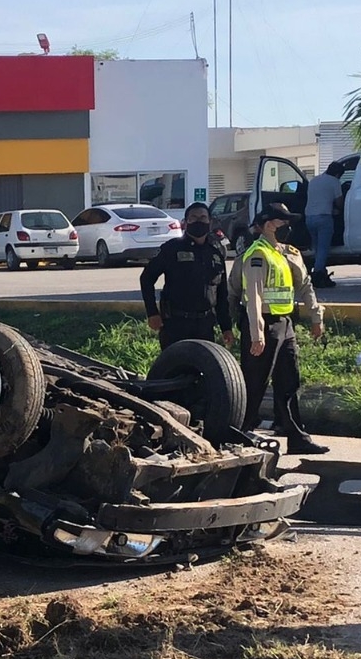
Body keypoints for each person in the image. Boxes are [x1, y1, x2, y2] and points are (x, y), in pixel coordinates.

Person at [239, 203, 328, 455]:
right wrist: (257, 334)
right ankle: (238, 432)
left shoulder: (285, 252)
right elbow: (253, 295)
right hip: (264, 325)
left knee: (289, 380)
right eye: (283, 222)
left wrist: (315, 316)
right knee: (254, 382)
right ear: (269, 225)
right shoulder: (258, 254)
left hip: (285, 323)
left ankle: (296, 436)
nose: (288, 227)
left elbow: (304, 284)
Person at [140, 202, 234, 351]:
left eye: (203, 218)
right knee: (174, 369)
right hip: (176, 324)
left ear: (210, 222)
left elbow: (222, 295)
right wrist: (152, 312)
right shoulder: (171, 248)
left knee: (203, 369)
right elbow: (147, 278)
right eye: (193, 218)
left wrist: (226, 327)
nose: (198, 221)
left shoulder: (215, 253)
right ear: (185, 222)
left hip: (205, 325)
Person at [304, 161, 345, 288]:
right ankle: (318, 275)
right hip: (324, 219)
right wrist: (338, 210)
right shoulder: (334, 182)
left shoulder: (314, 181)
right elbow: (340, 203)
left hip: (309, 218)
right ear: (338, 174)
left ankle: (320, 272)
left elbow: (316, 200)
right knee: (323, 249)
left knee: (316, 248)